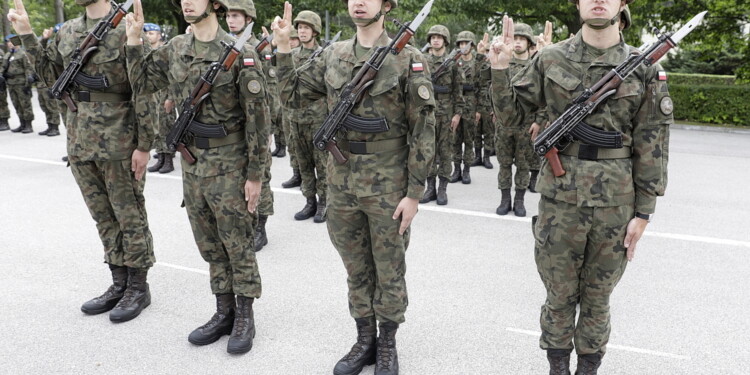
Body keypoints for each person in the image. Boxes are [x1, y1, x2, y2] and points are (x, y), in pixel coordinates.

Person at [488, 0, 673, 373]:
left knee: (598, 298)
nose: (598, 1)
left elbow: (652, 143)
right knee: (558, 295)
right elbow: (511, 118)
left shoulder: (643, 67)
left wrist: (644, 213)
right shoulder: (550, 59)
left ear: (622, 4)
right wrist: (499, 68)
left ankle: (589, 367)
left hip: (615, 204)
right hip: (561, 199)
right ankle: (557, 367)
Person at [274, 0, 435, 372]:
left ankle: (388, 343)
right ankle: (364, 339)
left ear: (386, 5)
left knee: (389, 267)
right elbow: (291, 94)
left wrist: (414, 193)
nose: (359, 2)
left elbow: (424, 131)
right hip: (342, 182)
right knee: (356, 266)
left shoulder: (408, 58)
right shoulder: (333, 55)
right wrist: (283, 49)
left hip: (389, 183)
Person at [125, 0, 269, 354]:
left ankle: (245, 316)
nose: (187, 2)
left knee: (237, 241)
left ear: (215, 4)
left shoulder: (240, 51)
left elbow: (258, 118)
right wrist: (132, 42)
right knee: (208, 241)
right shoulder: (176, 48)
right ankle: (223, 311)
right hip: (192, 162)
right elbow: (140, 82)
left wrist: (256, 175)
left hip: (230, 160)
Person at [9, 0, 156, 322]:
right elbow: (51, 78)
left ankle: (138, 287)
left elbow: (145, 90)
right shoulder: (70, 31)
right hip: (80, 139)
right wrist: (27, 34)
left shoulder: (126, 30)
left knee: (128, 215)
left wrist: (145, 145)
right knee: (102, 216)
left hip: (119, 140)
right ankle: (118, 281)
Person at [224, 0, 278, 251]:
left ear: (248, 19)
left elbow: (269, 90)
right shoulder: (224, 44)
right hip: (233, 123)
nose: (230, 20)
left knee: (261, 176)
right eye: (228, 15)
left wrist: (268, 128)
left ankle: (261, 227)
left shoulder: (259, 47)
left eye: (236, 16)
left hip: (257, 120)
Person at [288, 10, 329, 223]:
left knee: (322, 163)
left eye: (306, 28)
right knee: (303, 163)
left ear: (315, 31)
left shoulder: (325, 56)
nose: (302, 31)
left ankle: (324, 202)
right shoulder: (292, 56)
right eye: (299, 27)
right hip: (296, 118)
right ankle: (309, 201)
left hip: (318, 118)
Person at [494, 22, 537, 217]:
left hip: (527, 124)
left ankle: (519, 200)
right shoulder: (503, 63)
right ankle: (505, 200)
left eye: (522, 39)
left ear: (529, 43)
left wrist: (540, 121)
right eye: (515, 39)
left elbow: (543, 97)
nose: (518, 42)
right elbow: (491, 89)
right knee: (504, 163)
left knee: (523, 164)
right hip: (504, 125)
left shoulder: (536, 66)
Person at [419, 24, 464, 205]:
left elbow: (458, 90)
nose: (435, 40)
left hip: (446, 113)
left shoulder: (453, 63)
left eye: (439, 37)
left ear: (445, 40)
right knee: (428, 151)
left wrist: (458, 114)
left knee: (446, 151)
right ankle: (430, 187)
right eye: (433, 37)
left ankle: (442, 188)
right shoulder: (423, 61)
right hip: (427, 112)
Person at [141, 23, 176, 174]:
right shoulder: (147, 52)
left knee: (166, 127)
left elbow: (174, 75)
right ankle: (160, 157)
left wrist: (171, 97)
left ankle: (168, 159)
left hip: (165, 94)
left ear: (159, 35)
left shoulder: (165, 51)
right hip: (153, 97)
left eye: (151, 33)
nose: (148, 36)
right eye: (146, 33)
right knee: (157, 128)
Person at [452, 30, 479, 184]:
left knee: (469, 139)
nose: (463, 46)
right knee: (455, 139)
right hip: (456, 104)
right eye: (461, 43)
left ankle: (466, 170)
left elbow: (482, 87)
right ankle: (456, 169)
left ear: (472, 45)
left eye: (466, 43)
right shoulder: (453, 62)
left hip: (471, 103)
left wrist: (480, 110)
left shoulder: (477, 62)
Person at [4, 34, 36, 133]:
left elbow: (28, 69)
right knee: (16, 104)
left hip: (21, 83)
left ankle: (28, 125)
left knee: (25, 104)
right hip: (11, 83)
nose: (9, 44)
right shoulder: (8, 55)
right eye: (8, 42)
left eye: (11, 41)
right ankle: (22, 123)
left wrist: (28, 84)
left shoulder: (22, 54)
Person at [36, 26, 63, 136]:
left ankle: (55, 127)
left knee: (53, 106)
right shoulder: (52, 45)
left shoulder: (68, 45)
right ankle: (50, 126)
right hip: (44, 81)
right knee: (45, 105)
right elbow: (39, 52)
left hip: (57, 82)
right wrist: (44, 39)